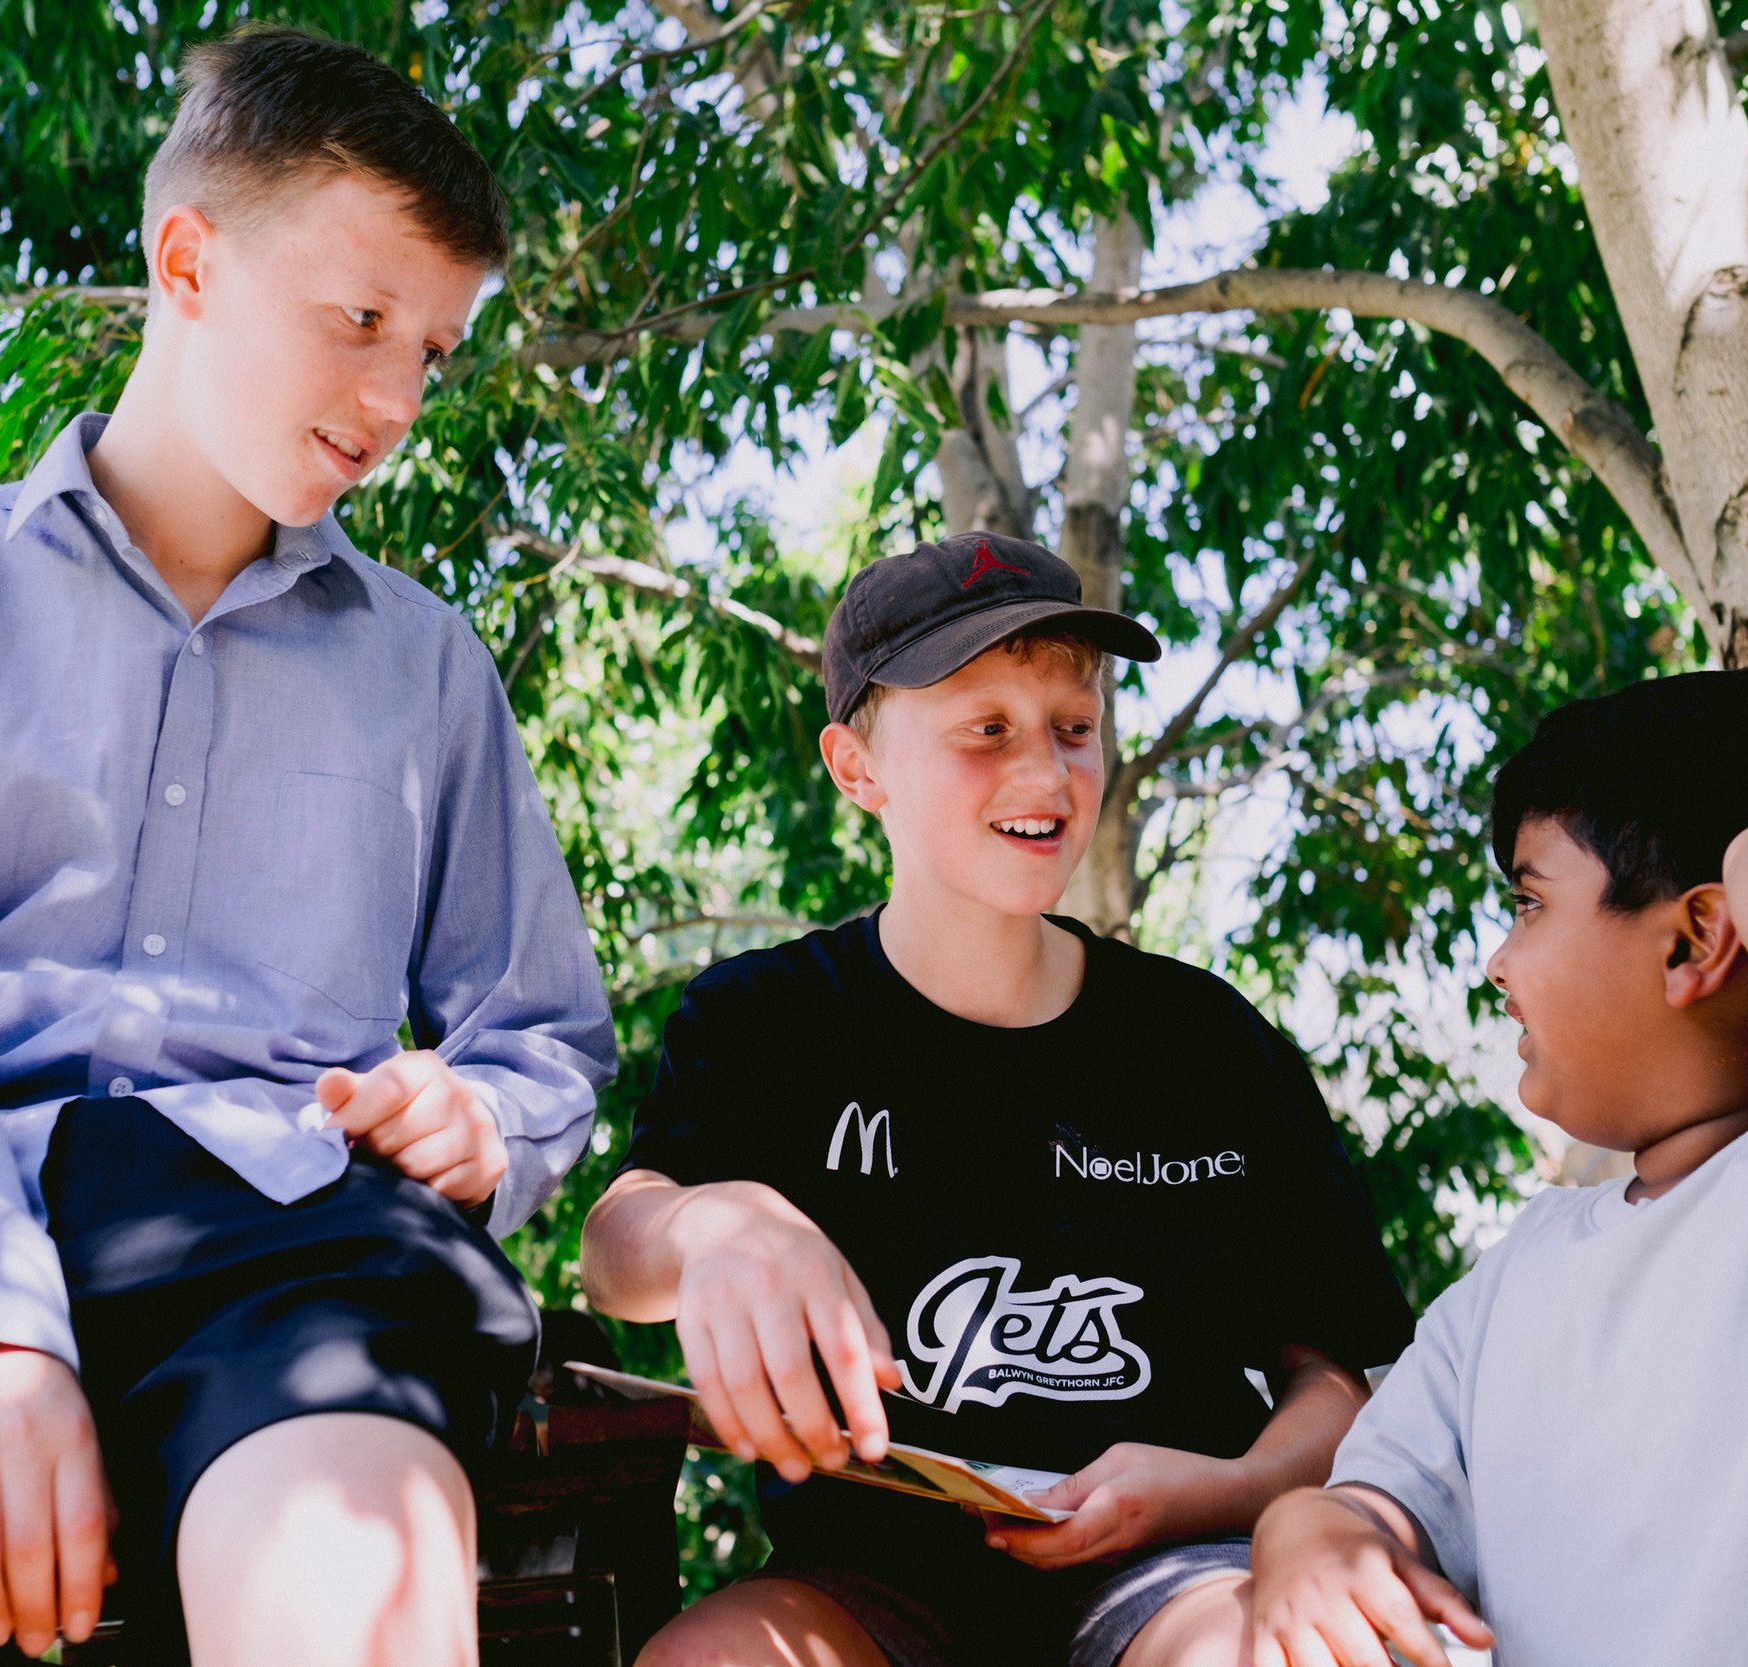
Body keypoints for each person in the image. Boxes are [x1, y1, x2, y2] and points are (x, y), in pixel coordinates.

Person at [0, 26, 614, 1667]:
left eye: (432, 349)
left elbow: (542, 1034)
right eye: (361, 319)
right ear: (187, 261)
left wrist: (481, 1114)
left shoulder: (429, 668)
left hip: (298, 1249)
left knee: (349, 1616)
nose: (398, 401)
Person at [580, 531, 1417, 1667]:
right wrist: (714, 1224)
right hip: (864, 1584)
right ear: (856, 768)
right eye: (985, 730)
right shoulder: (766, 1020)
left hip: (1173, 1574)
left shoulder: (1206, 1043)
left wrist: (1215, 1487)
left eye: (1073, 727)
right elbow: (616, 1253)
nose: (1045, 775)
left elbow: (1335, 1382)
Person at [1244, 666, 1748, 1667]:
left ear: (1697, 937)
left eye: (1529, 903)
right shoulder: (1508, 1284)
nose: (1497, 961)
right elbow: (1380, 1492)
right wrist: (1312, 1530)